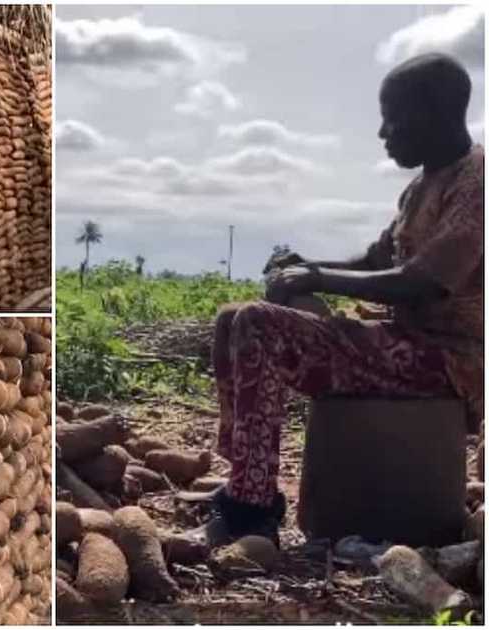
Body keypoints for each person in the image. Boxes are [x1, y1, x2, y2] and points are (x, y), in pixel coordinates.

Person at [184, 52, 483, 547]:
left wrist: (318, 276)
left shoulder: (476, 182)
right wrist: (307, 267)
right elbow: (373, 259)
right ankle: (245, 480)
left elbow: (422, 281)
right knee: (231, 318)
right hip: (406, 344)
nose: (384, 132)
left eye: (393, 117)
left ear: (436, 112)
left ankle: (250, 512)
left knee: (260, 324)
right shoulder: (419, 187)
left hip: (449, 360)